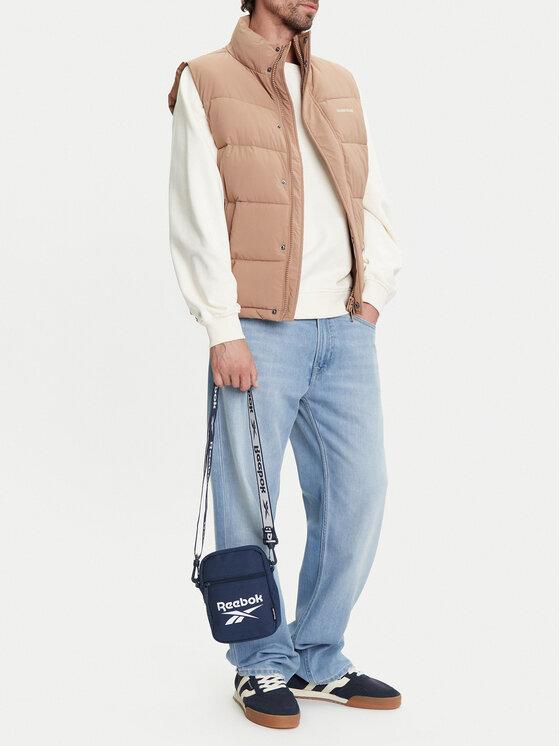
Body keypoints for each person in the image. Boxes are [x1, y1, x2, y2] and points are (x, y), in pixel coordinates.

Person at [168, 0, 402, 730]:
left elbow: (368, 193)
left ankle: (317, 653)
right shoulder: (206, 79)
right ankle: (259, 659)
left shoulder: (339, 82)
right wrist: (222, 327)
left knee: (360, 493)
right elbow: (196, 207)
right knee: (248, 499)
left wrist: (373, 293)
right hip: (258, 330)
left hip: (345, 327)